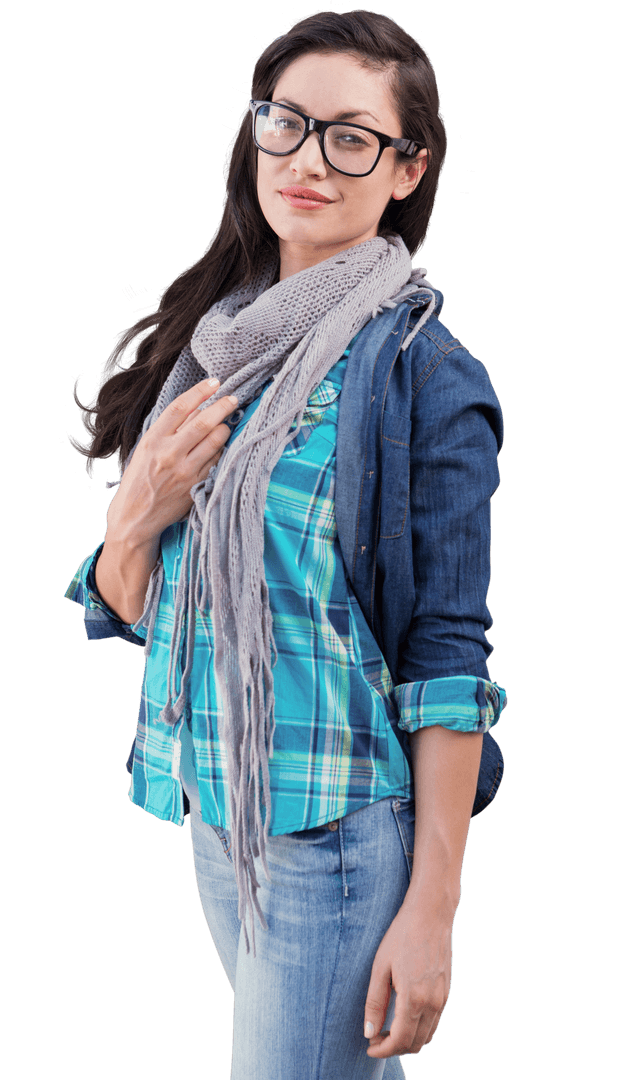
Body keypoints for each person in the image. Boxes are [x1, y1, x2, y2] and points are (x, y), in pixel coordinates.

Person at [65, 9, 507, 1078]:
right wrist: (137, 515)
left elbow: (448, 662)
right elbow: (123, 604)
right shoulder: (217, 345)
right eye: (287, 122)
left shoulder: (422, 376)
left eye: (350, 136)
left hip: (333, 833)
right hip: (214, 810)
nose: (308, 159)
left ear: (409, 168)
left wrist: (432, 913)